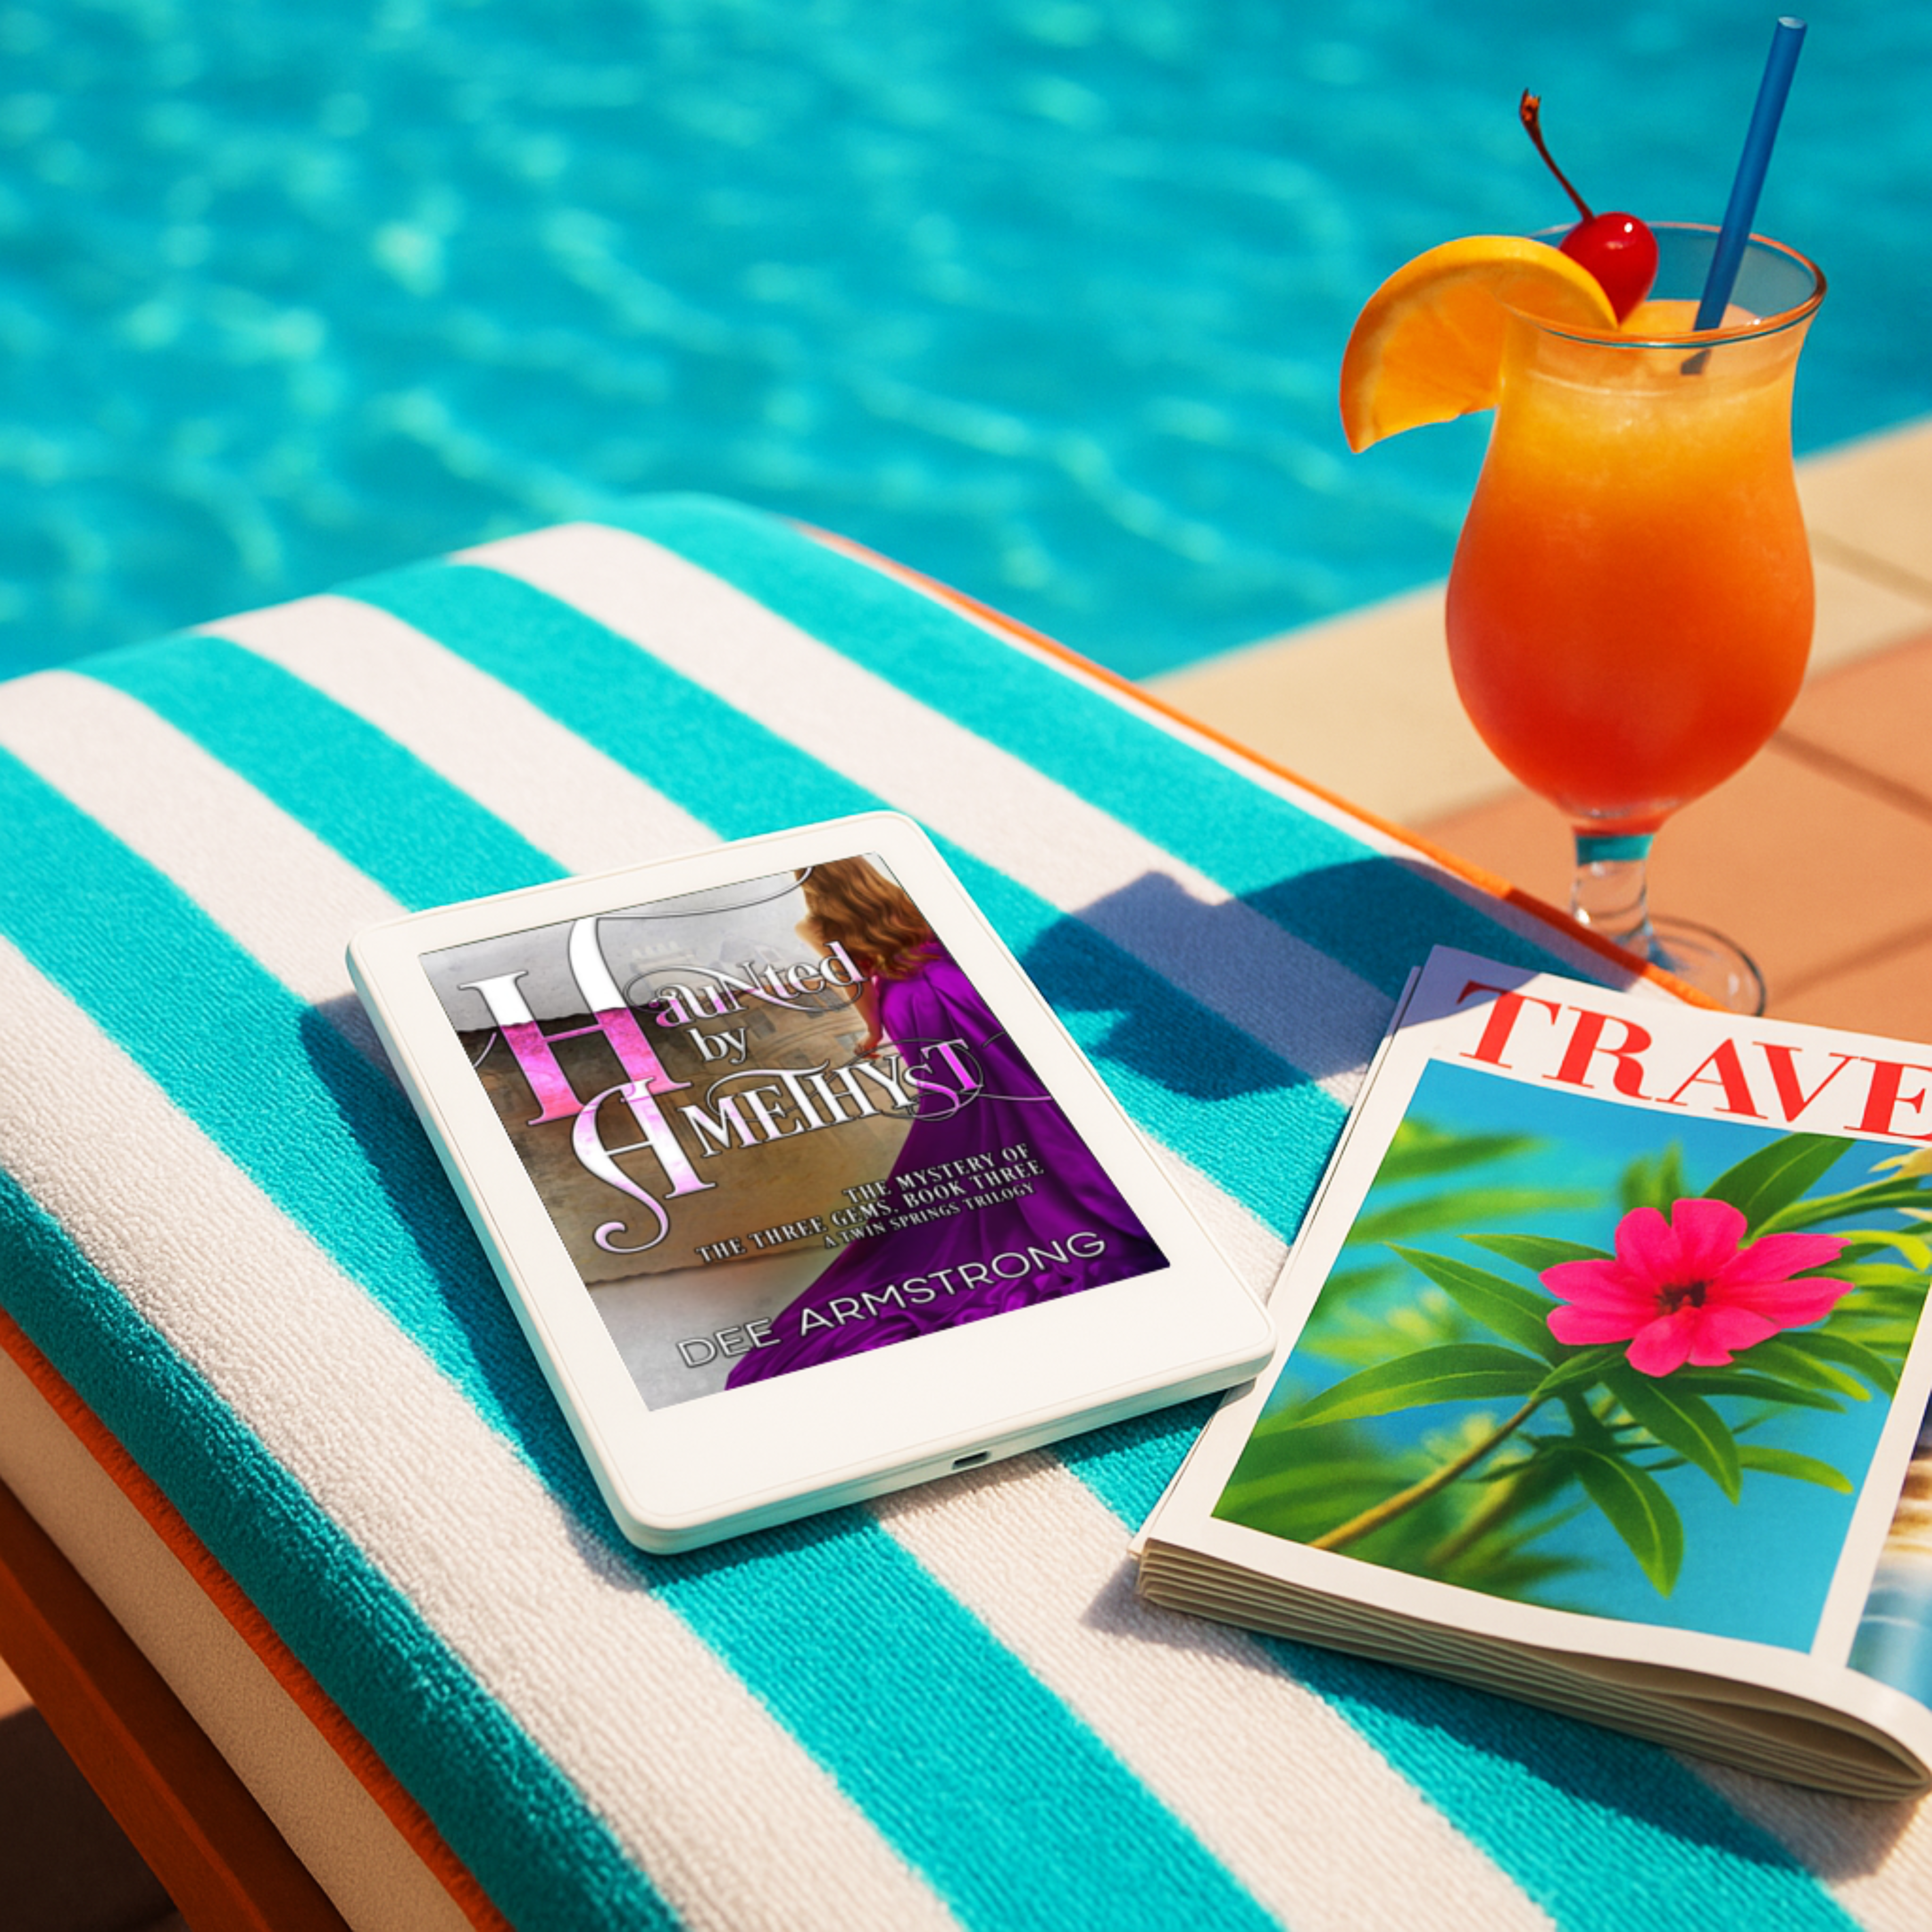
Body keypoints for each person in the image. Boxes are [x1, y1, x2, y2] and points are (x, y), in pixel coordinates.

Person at [727, 857, 1166, 1386]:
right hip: (955, 986)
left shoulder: (815, 925)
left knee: (966, 1116)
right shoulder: (901, 898)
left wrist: (871, 1036)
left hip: (914, 1007)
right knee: (1024, 1093)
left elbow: (858, 983)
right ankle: (1083, 1189)